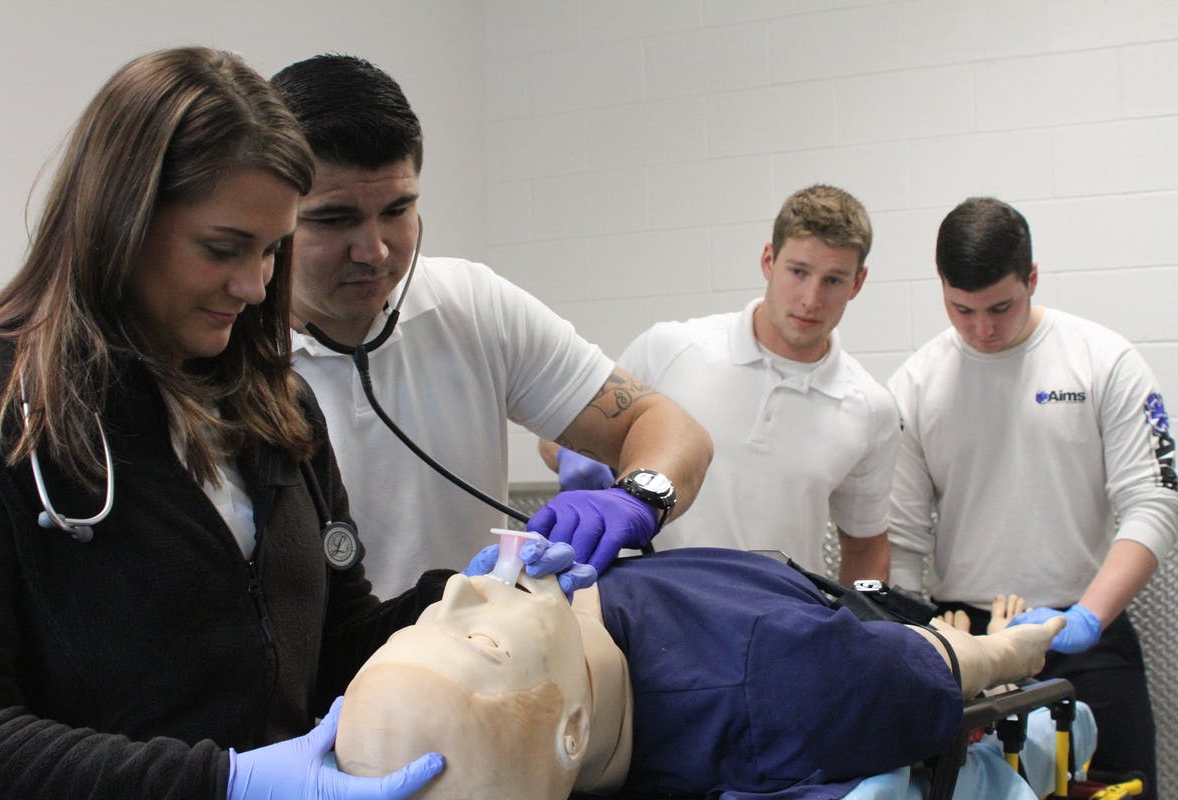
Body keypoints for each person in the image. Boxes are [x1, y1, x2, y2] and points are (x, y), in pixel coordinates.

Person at [0, 47, 592, 800]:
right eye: (223, 249)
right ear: (119, 221)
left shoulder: (276, 409)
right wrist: (223, 782)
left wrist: (458, 596)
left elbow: (334, 645)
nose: (256, 283)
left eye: (273, 249)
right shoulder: (4, 412)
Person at [269, 55, 713, 597]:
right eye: (334, 219)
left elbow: (669, 426)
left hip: (475, 666)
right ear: (273, 214)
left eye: (397, 210)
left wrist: (637, 497)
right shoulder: (222, 347)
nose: (374, 250)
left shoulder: (472, 307)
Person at [333, 548, 1066, 800]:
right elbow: (947, 664)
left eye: (428, 623)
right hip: (886, 629)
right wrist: (1017, 650)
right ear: (573, 732)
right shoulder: (778, 678)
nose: (458, 593)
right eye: (479, 639)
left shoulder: (551, 618)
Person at [887, 196, 1178, 797]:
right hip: (972, 638)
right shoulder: (915, 385)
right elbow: (904, 540)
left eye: (1001, 306)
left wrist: (1089, 617)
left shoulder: (1102, 361)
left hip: (1086, 635)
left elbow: (1155, 501)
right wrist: (921, 641)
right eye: (961, 309)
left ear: (1033, 279)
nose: (982, 329)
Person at [544, 185, 898, 584]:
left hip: (785, 623)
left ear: (858, 282)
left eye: (833, 280)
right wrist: (575, 455)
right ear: (768, 260)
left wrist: (862, 638)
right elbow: (555, 432)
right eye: (798, 272)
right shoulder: (671, 349)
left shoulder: (871, 409)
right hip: (652, 609)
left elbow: (865, 547)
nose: (811, 298)